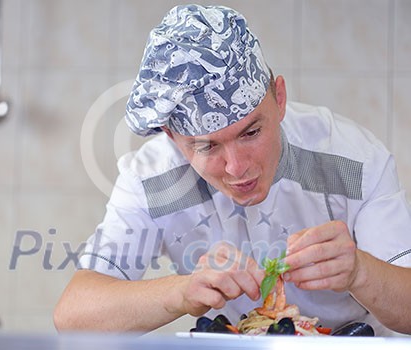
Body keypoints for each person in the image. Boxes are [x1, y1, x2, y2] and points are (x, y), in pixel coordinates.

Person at [53, 4, 411, 335]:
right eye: (207, 146)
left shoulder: (352, 161)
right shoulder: (152, 179)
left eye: (251, 132)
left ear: (280, 99)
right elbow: (73, 317)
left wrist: (360, 271)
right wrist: (181, 292)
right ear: (173, 137)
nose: (237, 167)